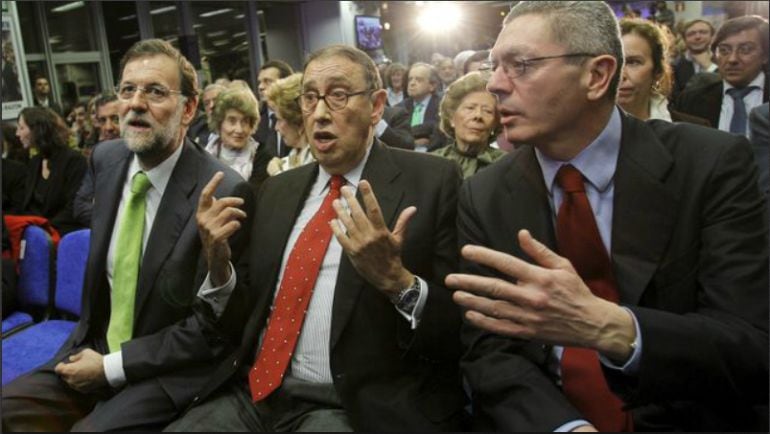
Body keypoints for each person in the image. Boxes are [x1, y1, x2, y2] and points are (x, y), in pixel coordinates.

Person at [445, 1, 769, 432]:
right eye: (494, 66)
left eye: (520, 65)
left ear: (596, 75)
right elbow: (490, 353)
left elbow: (751, 346)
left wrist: (614, 329)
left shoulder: (710, 164)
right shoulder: (484, 194)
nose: (496, 86)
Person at [166, 44, 465, 432]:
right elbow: (243, 314)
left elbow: (461, 325)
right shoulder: (276, 190)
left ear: (376, 107)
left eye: (338, 96)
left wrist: (398, 283)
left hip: (350, 403)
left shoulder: (433, 182)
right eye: (310, 98)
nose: (320, 113)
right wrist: (219, 267)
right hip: (253, 393)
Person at [1, 38, 253, 432]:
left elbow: (211, 331)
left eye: (155, 92)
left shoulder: (223, 191)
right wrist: (94, 356)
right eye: (127, 89)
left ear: (188, 109)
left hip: (165, 371)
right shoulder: (107, 158)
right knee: (7, 411)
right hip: (94, 348)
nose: (136, 103)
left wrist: (110, 368)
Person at [675, 15, 769, 136]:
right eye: (724, 50)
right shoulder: (691, 100)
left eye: (745, 49)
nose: (732, 59)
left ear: (765, 55)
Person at [618, 18, 709, 126]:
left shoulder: (695, 132)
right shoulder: (592, 133)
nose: (620, 75)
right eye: (610, 63)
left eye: (633, 62)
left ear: (657, 71)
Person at [15, 107, 86, 235]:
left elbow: (74, 206)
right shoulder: (34, 163)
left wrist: (47, 228)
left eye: (21, 128)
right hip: (41, 236)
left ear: (36, 130)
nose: (17, 133)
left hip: (68, 235)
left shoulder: (74, 160)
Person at [431, 71, 504, 178]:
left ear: (495, 123)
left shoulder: (506, 165)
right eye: (470, 108)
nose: (478, 116)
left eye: (487, 111)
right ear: (451, 118)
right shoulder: (431, 162)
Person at [73, 92, 122, 227]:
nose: (108, 127)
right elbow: (80, 207)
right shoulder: (99, 155)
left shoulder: (145, 154)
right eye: (102, 120)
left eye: (115, 119)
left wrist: (100, 205)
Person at [264, 73, 315, 176]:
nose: (276, 128)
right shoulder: (292, 157)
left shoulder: (317, 158)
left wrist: (277, 175)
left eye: (279, 120)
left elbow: (297, 191)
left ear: (298, 122)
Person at [205, 86, 260, 180]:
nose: (239, 130)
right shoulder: (204, 156)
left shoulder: (260, 157)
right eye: (232, 121)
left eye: (245, 121)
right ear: (219, 123)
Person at [397, 62, 444, 152]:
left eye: (418, 80)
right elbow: (397, 137)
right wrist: (413, 142)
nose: (412, 83)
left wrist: (409, 136)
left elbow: (441, 134)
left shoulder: (442, 105)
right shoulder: (399, 108)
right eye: (410, 79)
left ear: (432, 86)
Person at [254, 60, 294, 158]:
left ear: (285, 83)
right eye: (260, 82)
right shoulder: (255, 119)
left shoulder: (298, 115)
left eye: (267, 81)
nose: (260, 87)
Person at [672, 19, 717, 100]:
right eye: (691, 34)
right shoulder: (675, 66)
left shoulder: (724, 60)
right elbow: (677, 100)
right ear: (684, 40)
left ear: (712, 37)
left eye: (703, 32)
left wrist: (709, 66)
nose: (697, 37)